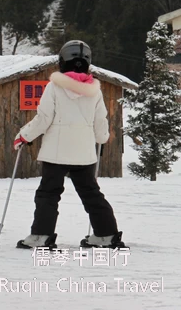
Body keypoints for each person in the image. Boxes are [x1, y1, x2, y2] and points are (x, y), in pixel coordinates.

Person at [14, 40, 126, 250]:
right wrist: (101, 138)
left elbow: (43, 118)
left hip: (56, 152)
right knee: (91, 193)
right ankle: (106, 235)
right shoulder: (95, 90)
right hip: (84, 153)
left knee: (48, 194)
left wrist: (24, 136)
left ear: (62, 61)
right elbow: (101, 122)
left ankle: (41, 236)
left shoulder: (54, 87)